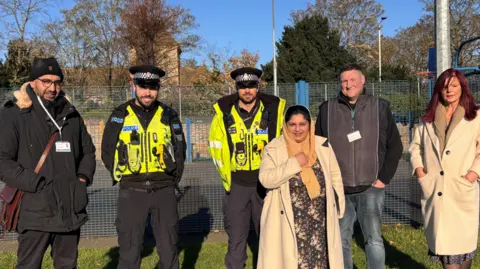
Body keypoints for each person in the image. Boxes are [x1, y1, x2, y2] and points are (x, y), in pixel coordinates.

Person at [0, 57, 96, 269]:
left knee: (67, 265)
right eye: (46, 81)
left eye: (57, 82)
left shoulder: (71, 115)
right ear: (33, 82)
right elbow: (2, 161)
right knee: (28, 265)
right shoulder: (14, 114)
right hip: (36, 211)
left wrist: (82, 179)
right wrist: (35, 184)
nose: (52, 87)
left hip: (70, 209)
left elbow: (88, 151)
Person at [315, 63, 403, 269]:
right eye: (344, 81)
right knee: (341, 241)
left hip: (371, 187)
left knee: (373, 240)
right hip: (339, 190)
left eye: (353, 80)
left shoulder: (380, 107)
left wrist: (383, 179)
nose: (348, 85)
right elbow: (318, 148)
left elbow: (395, 146)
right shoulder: (327, 110)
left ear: (362, 81)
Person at [101, 65, 186, 269]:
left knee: (168, 250)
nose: (147, 92)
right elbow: (107, 151)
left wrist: (171, 180)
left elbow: (180, 150)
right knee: (129, 252)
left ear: (158, 88)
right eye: (142, 86)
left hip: (163, 191)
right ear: (134, 86)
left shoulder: (169, 115)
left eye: (153, 87)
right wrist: (125, 177)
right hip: (132, 191)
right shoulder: (120, 115)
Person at [208, 67, 286, 269]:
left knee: (271, 240)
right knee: (236, 241)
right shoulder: (224, 113)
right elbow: (216, 148)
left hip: (266, 186)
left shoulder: (274, 111)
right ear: (237, 88)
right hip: (237, 186)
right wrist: (227, 181)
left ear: (258, 86)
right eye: (242, 86)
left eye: (251, 85)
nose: (247, 90)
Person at [257, 105, 345, 269]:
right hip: (291, 220)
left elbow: (335, 176)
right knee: (294, 262)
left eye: (302, 124)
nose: (298, 129)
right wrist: (294, 163)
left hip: (320, 220)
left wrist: (339, 206)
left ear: (309, 125)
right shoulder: (274, 148)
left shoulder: (322, 145)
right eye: (292, 124)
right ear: (286, 125)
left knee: (321, 262)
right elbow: (266, 179)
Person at [409, 68, 480, 269]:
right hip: (435, 192)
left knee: (464, 255)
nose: (449, 90)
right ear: (439, 89)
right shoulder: (427, 120)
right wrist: (421, 172)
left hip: (461, 192)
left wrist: (472, 175)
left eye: (454, 86)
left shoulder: (475, 116)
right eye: (445, 86)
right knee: (446, 256)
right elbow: (415, 147)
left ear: (462, 88)